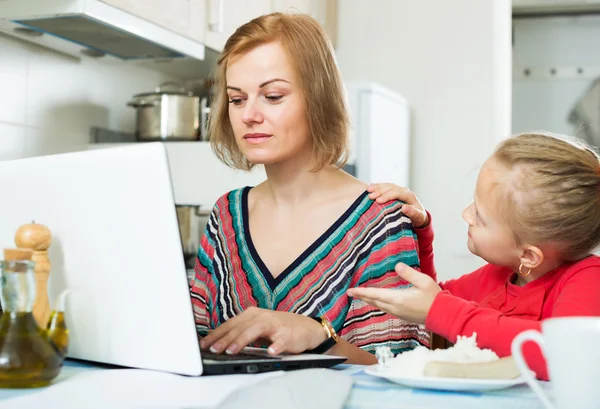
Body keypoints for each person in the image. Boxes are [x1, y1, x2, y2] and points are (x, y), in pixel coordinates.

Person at [189, 12, 430, 365]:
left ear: (318, 98)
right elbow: (195, 342)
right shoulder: (226, 215)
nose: (248, 115)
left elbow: (400, 369)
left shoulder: (379, 219)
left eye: (272, 96)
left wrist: (319, 337)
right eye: (237, 99)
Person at [348, 132, 600, 379]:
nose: (466, 214)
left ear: (529, 255)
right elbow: (429, 298)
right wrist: (418, 233)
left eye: (479, 215)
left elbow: (561, 354)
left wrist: (440, 309)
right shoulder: (496, 276)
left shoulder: (589, 279)